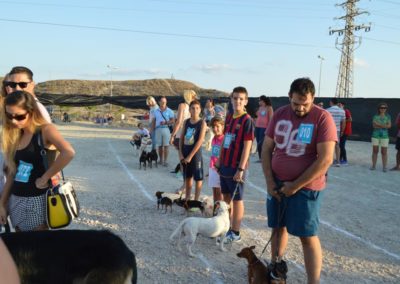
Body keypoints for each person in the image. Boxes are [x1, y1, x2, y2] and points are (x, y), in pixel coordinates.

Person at [261, 78, 336, 284]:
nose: (300, 108)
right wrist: (269, 181)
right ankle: (277, 268)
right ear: (289, 97)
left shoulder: (322, 118)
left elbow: (326, 159)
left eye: (305, 103)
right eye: (296, 103)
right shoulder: (279, 114)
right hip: (276, 184)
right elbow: (266, 148)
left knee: (307, 236)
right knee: (277, 227)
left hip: (306, 187)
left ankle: (314, 281)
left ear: (313, 98)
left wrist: (295, 186)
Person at [0, 91, 75, 232]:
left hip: (37, 199)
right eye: (9, 116)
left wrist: (45, 177)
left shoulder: (45, 130)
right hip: (16, 199)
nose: (14, 121)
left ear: (32, 111)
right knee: (22, 247)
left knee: (37, 248)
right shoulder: (15, 134)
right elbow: (11, 173)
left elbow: (68, 152)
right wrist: (2, 204)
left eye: (20, 116)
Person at [216, 86, 254, 243]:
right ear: (231, 99)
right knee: (225, 197)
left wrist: (241, 168)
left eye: (241, 98)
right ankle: (227, 227)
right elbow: (225, 139)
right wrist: (219, 159)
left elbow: (247, 147)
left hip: (237, 166)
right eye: (235, 98)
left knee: (237, 200)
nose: (237, 101)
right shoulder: (230, 117)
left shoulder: (247, 121)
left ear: (245, 101)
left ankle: (236, 232)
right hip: (225, 164)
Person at [179, 100, 207, 202]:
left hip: (195, 155)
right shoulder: (186, 122)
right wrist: (181, 154)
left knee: (198, 178)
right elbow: (181, 138)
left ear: (200, 110)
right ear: (189, 110)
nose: (195, 110)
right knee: (187, 177)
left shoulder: (202, 123)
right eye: (193, 108)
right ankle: (187, 199)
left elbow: (200, 141)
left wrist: (190, 156)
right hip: (185, 153)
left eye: (197, 108)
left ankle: (195, 201)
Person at [151, 96, 174, 167]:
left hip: (166, 129)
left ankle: (165, 161)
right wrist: (152, 131)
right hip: (158, 129)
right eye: (162, 101)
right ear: (159, 102)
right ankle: (160, 160)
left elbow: (173, 120)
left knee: (166, 146)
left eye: (165, 101)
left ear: (166, 102)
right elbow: (153, 121)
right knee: (160, 146)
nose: (164, 102)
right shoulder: (155, 111)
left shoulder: (170, 111)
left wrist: (166, 122)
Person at [208, 116, 225, 207]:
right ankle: (216, 208)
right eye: (213, 127)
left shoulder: (224, 138)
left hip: (220, 168)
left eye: (217, 126)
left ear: (222, 126)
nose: (215, 129)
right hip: (212, 167)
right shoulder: (214, 138)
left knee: (220, 192)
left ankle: (220, 209)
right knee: (214, 191)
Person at [370, 102, 391, 172]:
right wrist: (384, 126)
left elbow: (389, 126)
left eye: (384, 108)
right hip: (375, 136)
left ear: (386, 109)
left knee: (384, 152)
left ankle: (384, 167)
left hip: (385, 136)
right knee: (375, 151)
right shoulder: (375, 116)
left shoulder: (388, 116)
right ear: (379, 109)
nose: (383, 109)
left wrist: (378, 124)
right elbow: (374, 126)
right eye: (381, 108)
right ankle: (373, 166)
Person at [326, 98, 345, 166]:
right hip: (337, 130)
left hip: (328, 130)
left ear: (331, 102)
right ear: (337, 103)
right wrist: (342, 131)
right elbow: (343, 122)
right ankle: (338, 161)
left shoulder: (327, 110)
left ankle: (328, 161)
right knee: (337, 146)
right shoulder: (342, 111)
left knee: (328, 145)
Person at [255, 95, 273, 161]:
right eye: (259, 101)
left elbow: (271, 119)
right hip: (257, 127)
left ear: (264, 101)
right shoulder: (260, 108)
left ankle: (264, 157)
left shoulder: (269, 108)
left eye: (260, 100)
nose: (259, 102)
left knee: (261, 143)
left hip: (264, 127)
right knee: (257, 142)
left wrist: (269, 128)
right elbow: (258, 116)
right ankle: (260, 158)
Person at [338, 101, 352, 165]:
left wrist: (343, 120)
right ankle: (340, 159)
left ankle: (345, 160)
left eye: (340, 105)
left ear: (343, 105)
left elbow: (350, 119)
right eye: (338, 105)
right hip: (341, 131)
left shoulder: (346, 111)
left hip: (346, 131)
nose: (339, 106)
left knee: (342, 146)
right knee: (340, 145)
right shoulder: (339, 112)